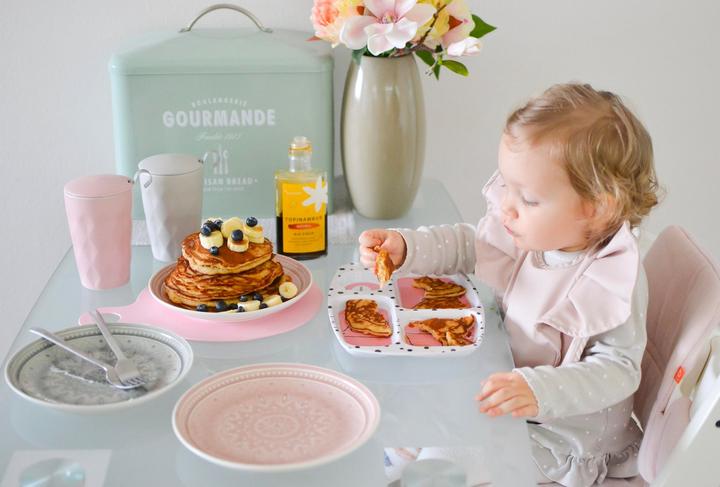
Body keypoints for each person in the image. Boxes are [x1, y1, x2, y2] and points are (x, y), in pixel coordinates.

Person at [360, 83, 661, 486]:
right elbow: (469, 244)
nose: (507, 207)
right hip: (503, 390)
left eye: (529, 199)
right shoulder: (537, 235)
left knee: (443, 462)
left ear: (597, 207)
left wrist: (536, 389)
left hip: (559, 437)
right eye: (507, 186)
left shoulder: (611, 275)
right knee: (405, 415)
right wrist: (408, 248)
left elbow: (618, 370)